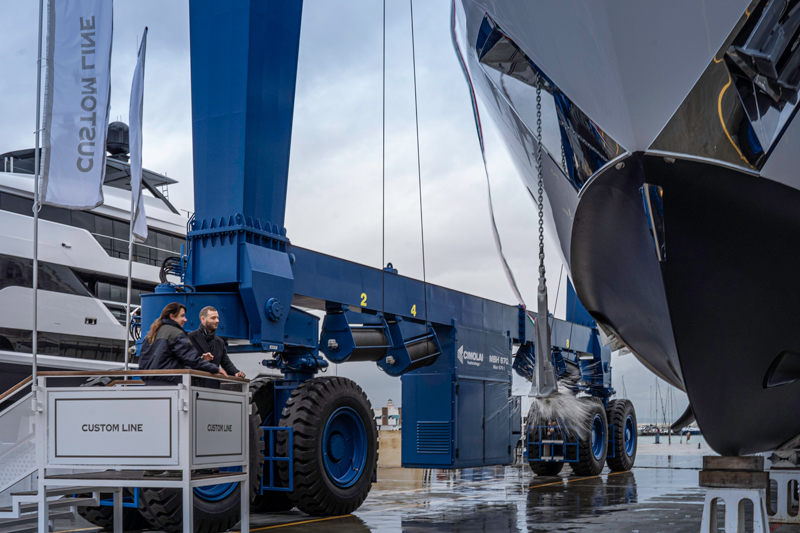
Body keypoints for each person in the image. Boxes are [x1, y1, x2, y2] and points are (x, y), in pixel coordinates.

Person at [138, 302, 227, 385]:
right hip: (170, 385)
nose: (185, 319)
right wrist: (215, 368)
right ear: (172, 316)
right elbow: (191, 359)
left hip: (149, 384)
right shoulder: (176, 334)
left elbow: (144, 361)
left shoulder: (151, 334)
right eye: (182, 316)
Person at [187, 306, 244, 389]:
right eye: (213, 318)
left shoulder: (219, 342)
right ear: (203, 319)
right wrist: (201, 359)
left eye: (217, 318)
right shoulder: (190, 338)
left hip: (213, 388)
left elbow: (226, 363)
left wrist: (236, 372)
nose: (217, 321)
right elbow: (186, 361)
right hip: (194, 387)